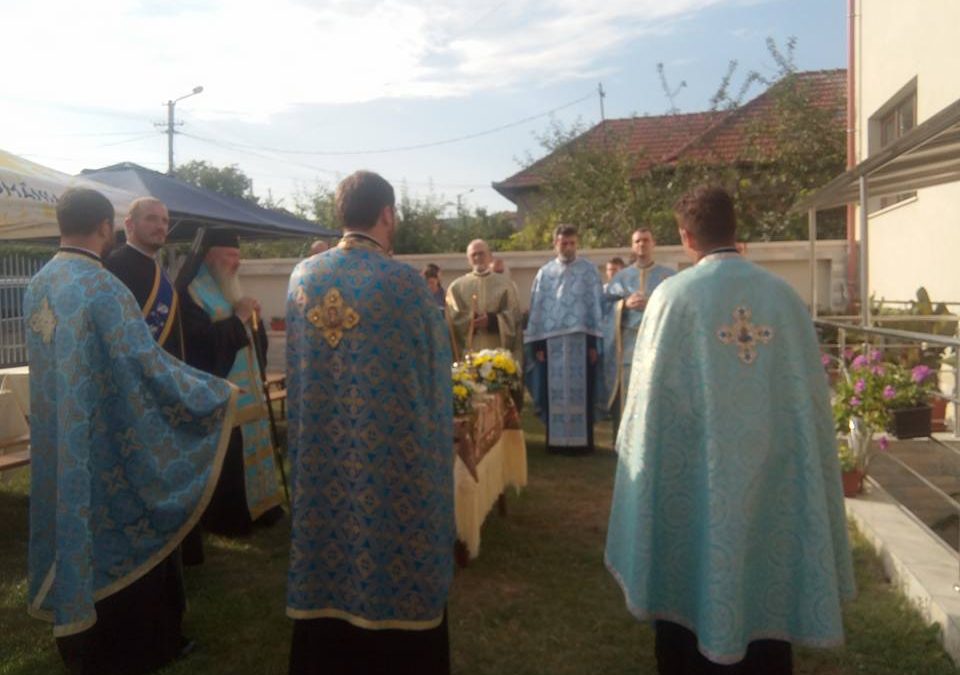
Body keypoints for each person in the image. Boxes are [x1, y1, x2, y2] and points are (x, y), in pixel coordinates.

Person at [605, 185, 854, 674]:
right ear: (734, 229)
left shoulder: (671, 298)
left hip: (693, 481)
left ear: (685, 236)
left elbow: (645, 409)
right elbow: (808, 406)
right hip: (771, 478)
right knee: (765, 613)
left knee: (683, 623)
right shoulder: (782, 298)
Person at [24, 188, 237, 675]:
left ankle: (77, 631)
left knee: (75, 531)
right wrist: (213, 392)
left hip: (63, 439)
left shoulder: (40, 283)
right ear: (106, 227)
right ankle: (134, 646)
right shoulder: (102, 287)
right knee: (127, 535)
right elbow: (148, 366)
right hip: (111, 441)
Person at [285, 170, 454, 675]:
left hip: (322, 461)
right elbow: (435, 376)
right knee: (396, 548)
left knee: (327, 552)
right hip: (393, 465)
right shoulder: (404, 283)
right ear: (386, 213)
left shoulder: (302, 277)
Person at [105, 197, 205, 565]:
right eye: (152, 219)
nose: (161, 226)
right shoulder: (114, 266)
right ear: (129, 224)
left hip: (165, 390)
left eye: (165, 220)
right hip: (137, 397)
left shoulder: (158, 268)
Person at [180, 229, 284, 536]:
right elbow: (199, 347)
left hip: (248, 394)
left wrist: (255, 323)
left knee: (253, 448)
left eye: (238, 256)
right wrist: (238, 319)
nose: (237, 263)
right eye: (231, 256)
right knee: (230, 458)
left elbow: (248, 341)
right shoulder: (192, 293)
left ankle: (263, 508)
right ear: (211, 256)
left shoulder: (227, 286)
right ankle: (232, 517)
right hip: (220, 395)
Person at [524, 225, 603, 454]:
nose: (567, 247)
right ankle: (556, 442)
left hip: (581, 341)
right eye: (563, 243)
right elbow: (537, 308)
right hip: (552, 343)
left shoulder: (588, 271)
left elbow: (595, 309)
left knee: (583, 391)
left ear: (576, 243)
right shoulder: (545, 273)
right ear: (555, 244)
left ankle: (582, 443)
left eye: (571, 243)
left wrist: (593, 345)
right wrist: (538, 345)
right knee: (553, 391)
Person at [601, 229, 674, 430]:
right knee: (627, 391)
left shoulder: (668, 277)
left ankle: (652, 438)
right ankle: (623, 441)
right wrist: (623, 305)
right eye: (637, 241)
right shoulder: (621, 278)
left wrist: (652, 303)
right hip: (628, 345)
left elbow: (677, 307)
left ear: (653, 243)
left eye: (646, 240)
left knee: (653, 390)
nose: (642, 244)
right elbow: (604, 308)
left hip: (657, 344)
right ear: (632, 246)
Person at [445, 239, 522, 364]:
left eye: (481, 254)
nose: (477, 257)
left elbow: (514, 317)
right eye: (473, 255)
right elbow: (452, 320)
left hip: (498, 350)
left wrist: (492, 321)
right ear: (468, 259)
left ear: (490, 257)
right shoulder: (457, 287)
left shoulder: (506, 285)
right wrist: (470, 320)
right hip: (470, 352)